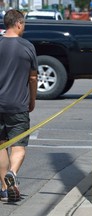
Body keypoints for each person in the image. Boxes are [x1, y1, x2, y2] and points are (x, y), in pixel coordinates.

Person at [0, 9, 38, 202]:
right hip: (18, 105)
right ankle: (13, 174)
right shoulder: (27, 46)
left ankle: (6, 188)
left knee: (1, 146)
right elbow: (32, 77)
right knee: (18, 145)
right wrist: (32, 100)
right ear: (18, 24)